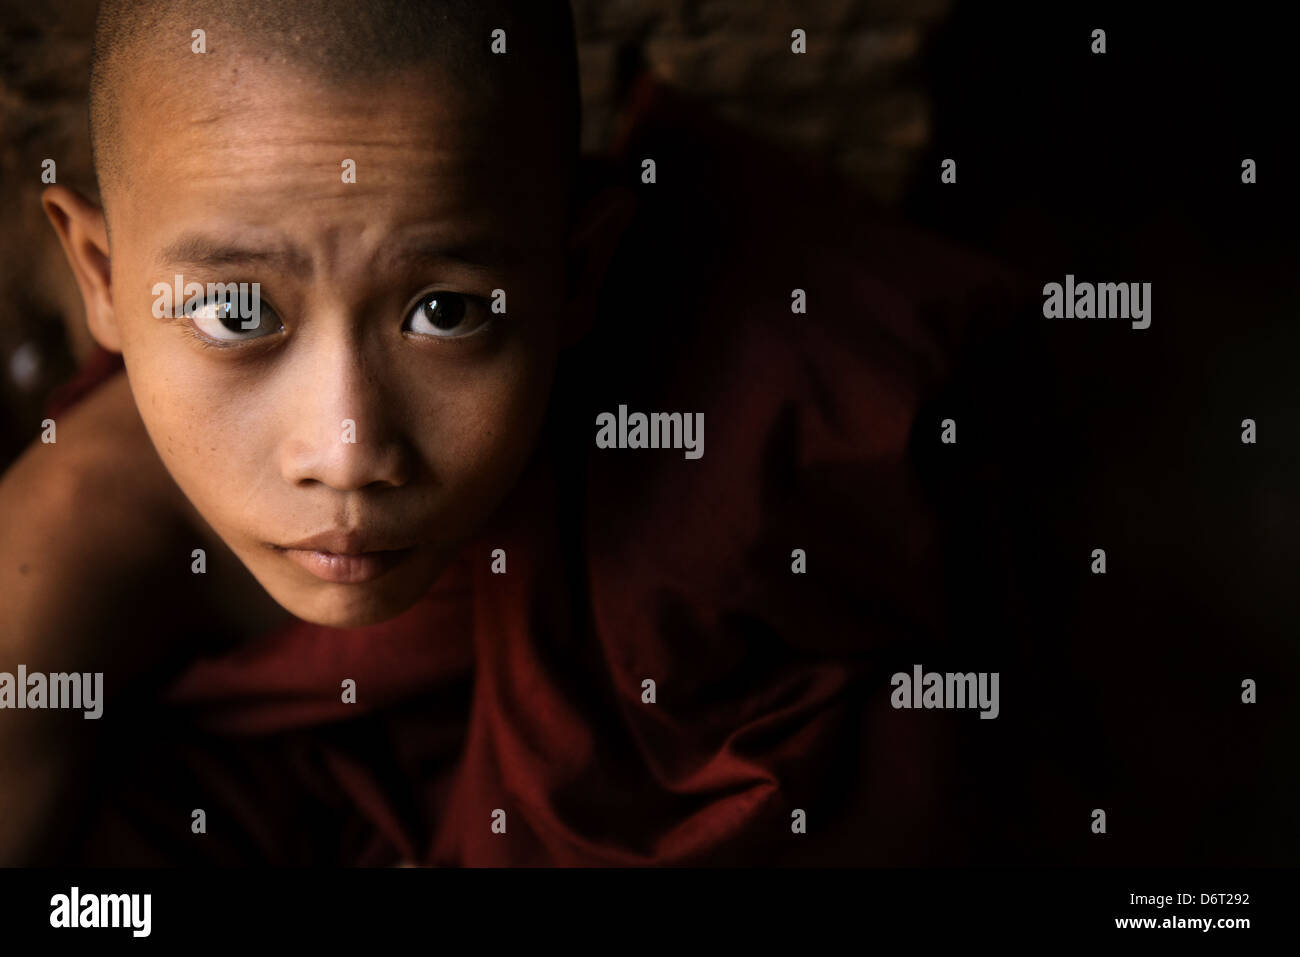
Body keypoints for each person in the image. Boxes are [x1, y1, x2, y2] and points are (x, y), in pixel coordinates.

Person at [1, 0, 1039, 865]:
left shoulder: (734, 453)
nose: (348, 449)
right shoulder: (52, 567)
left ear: (578, 274)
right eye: (236, 314)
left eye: (445, 312)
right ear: (100, 274)